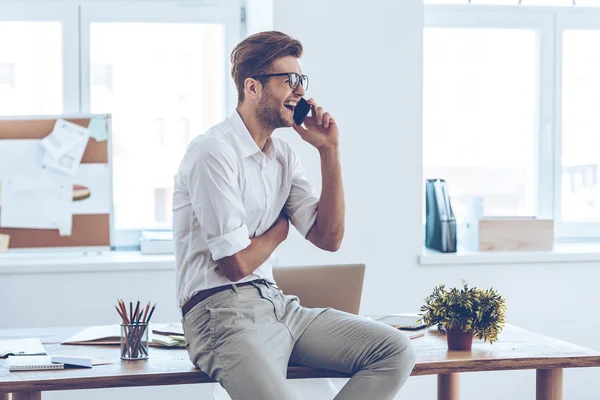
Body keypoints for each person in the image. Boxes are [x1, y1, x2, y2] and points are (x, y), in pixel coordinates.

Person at [172, 30, 416, 400]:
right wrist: (280, 232)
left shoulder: (283, 157)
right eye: (289, 81)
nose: (300, 91)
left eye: (301, 80)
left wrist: (328, 151)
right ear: (252, 88)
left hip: (278, 305)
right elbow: (235, 264)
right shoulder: (213, 152)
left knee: (394, 350)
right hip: (220, 316)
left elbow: (328, 239)